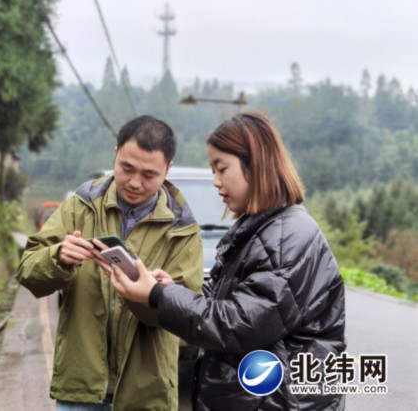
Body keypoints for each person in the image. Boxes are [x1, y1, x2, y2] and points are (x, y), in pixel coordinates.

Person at [110, 112, 346, 410]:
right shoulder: (263, 228)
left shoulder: (286, 237)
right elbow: (231, 299)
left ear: (256, 164)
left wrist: (159, 295)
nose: (216, 181)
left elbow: (238, 325)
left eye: (222, 169)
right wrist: (171, 289)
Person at [15, 115, 203, 410]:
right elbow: (27, 270)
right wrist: (58, 257)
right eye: (126, 168)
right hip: (81, 388)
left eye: (149, 174)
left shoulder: (182, 230)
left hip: (146, 393)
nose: (135, 182)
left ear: (167, 169)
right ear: (115, 154)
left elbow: (187, 314)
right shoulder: (81, 206)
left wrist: (154, 294)